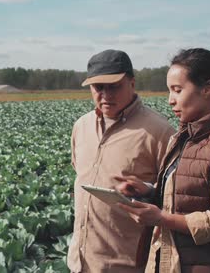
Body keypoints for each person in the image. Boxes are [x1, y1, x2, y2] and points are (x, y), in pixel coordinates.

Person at [116, 48, 210, 273]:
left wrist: (161, 218)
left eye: (178, 90)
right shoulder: (184, 136)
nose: (170, 100)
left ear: (207, 89)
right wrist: (148, 191)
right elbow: (189, 195)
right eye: (169, 91)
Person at [67, 49, 175, 273]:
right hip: (80, 261)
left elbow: (177, 196)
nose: (105, 94)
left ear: (132, 83)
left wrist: (147, 191)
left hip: (127, 264)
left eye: (114, 86)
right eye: (98, 87)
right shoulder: (81, 126)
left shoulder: (159, 131)